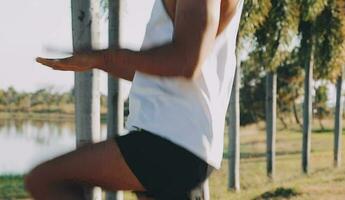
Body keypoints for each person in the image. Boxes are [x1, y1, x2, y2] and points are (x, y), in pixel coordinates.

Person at [25, 0, 244, 199]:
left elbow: (186, 61)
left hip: (172, 142)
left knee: (46, 179)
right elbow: (165, 68)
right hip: (182, 143)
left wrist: (105, 57)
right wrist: (97, 61)